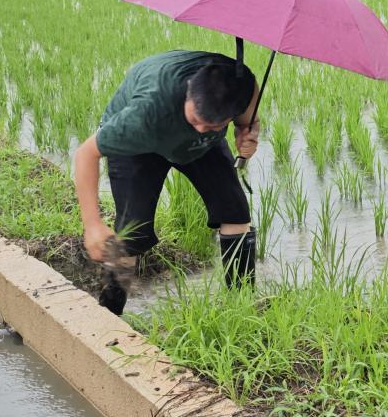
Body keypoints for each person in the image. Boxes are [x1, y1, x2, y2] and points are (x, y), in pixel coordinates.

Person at [73, 49, 260, 315]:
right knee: (131, 234)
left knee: (235, 212)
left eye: (212, 126)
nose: (200, 129)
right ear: (188, 93)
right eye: (196, 120)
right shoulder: (144, 113)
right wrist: (92, 225)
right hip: (140, 147)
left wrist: (248, 135)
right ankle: (110, 313)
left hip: (201, 150)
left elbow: (248, 123)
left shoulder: (243, 86)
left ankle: (242, 310)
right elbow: (85, 154)